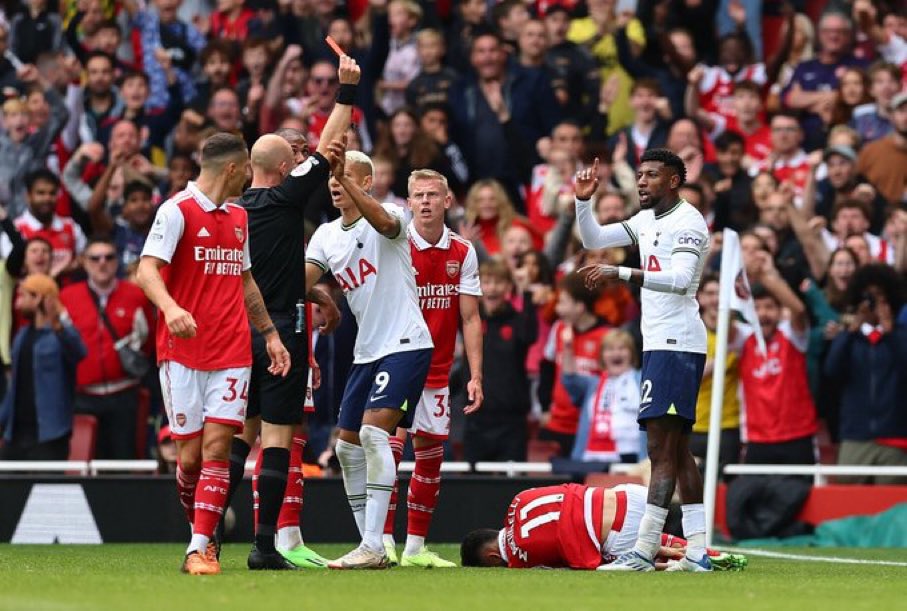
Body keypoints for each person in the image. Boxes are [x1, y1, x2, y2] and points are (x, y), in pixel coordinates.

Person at [223, 55, 358, 571]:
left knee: (241, 433)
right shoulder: (285, 199)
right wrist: (345, 91)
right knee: (278, 439)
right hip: (282, 326)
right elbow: (327, 149)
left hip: (239, 331)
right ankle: (263, 545)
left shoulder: (233, 210)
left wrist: (316, 294)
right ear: (285, 168)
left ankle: (205, 537)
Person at [136, 132, 291, 576]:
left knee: (218, 449)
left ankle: (199, 548)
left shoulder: (238, 217)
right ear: (232, 169)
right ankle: (199, 526)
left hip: (233, 351)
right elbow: (147, 270)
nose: (249, 174)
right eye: (246, 167)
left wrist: (270, 335)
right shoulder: (176, 211)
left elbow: (244, 282)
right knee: (189, 460)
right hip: (182, 351)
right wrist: (171, 308)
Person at [575, 148, 712, 572]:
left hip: (677, 342)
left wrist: (623, 274)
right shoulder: (644, 220)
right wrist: (583, 201)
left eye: (652, 175)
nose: (641, 182)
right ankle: (698, 551)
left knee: (660, 447)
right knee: (679, 449)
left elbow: (681, 279)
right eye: (639, 175)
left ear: (674, 180)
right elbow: (593, 240)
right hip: (659, 343)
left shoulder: (689, 222)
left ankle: (643, 548)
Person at [305, 146, 433, 569]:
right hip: (367, 352)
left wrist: (346, 178)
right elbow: (300, 279)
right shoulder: (325, 235)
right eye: (331, 180)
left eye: (345, 178)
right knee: (345, 448)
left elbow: (382, 221)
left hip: (406, 342)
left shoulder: (394, 215)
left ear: (366, 183)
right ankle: (369, 542)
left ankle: (375, 545)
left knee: (375, 435)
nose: (335, 186)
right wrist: (319, 293)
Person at [381, 169, 483, 568]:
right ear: (408, 203)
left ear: (447, 201)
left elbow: (471, 319)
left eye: (432, 195)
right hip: (396, 362)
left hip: (437, 371)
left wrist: (475, 375)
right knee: (387, 455)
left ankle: (415, 548)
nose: (424, 202)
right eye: (418, 195)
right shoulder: (394, 245)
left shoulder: (463, 252)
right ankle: (382, 539)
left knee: (429, 459)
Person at [459, 482, 746, 571]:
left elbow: (578, 563)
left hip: (622, 534)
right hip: (631, 494)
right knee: (594, 517)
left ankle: (678, 561)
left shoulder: (520, 561)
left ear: (492, 558)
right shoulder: (518, 499)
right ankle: (700, 551)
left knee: (606, 558)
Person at [60, 238, 153, 459]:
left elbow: (149, 341)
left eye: (109, 257)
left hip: (124, 393)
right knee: (82, 462)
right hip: (83, 396)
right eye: (95, 258)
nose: (102, 263)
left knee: (124, 461)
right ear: (84, 262)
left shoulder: (136, 296)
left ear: (117, 261)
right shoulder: (67, 297)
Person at [0, 273, 86, 460]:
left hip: (50, 433)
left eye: (25, 295)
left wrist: (59, 319)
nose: (19, 302)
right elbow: (15, 385)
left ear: (40, 297)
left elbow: (79, 351)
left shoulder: (59, 335)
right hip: (16, 433)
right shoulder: (22, 336)